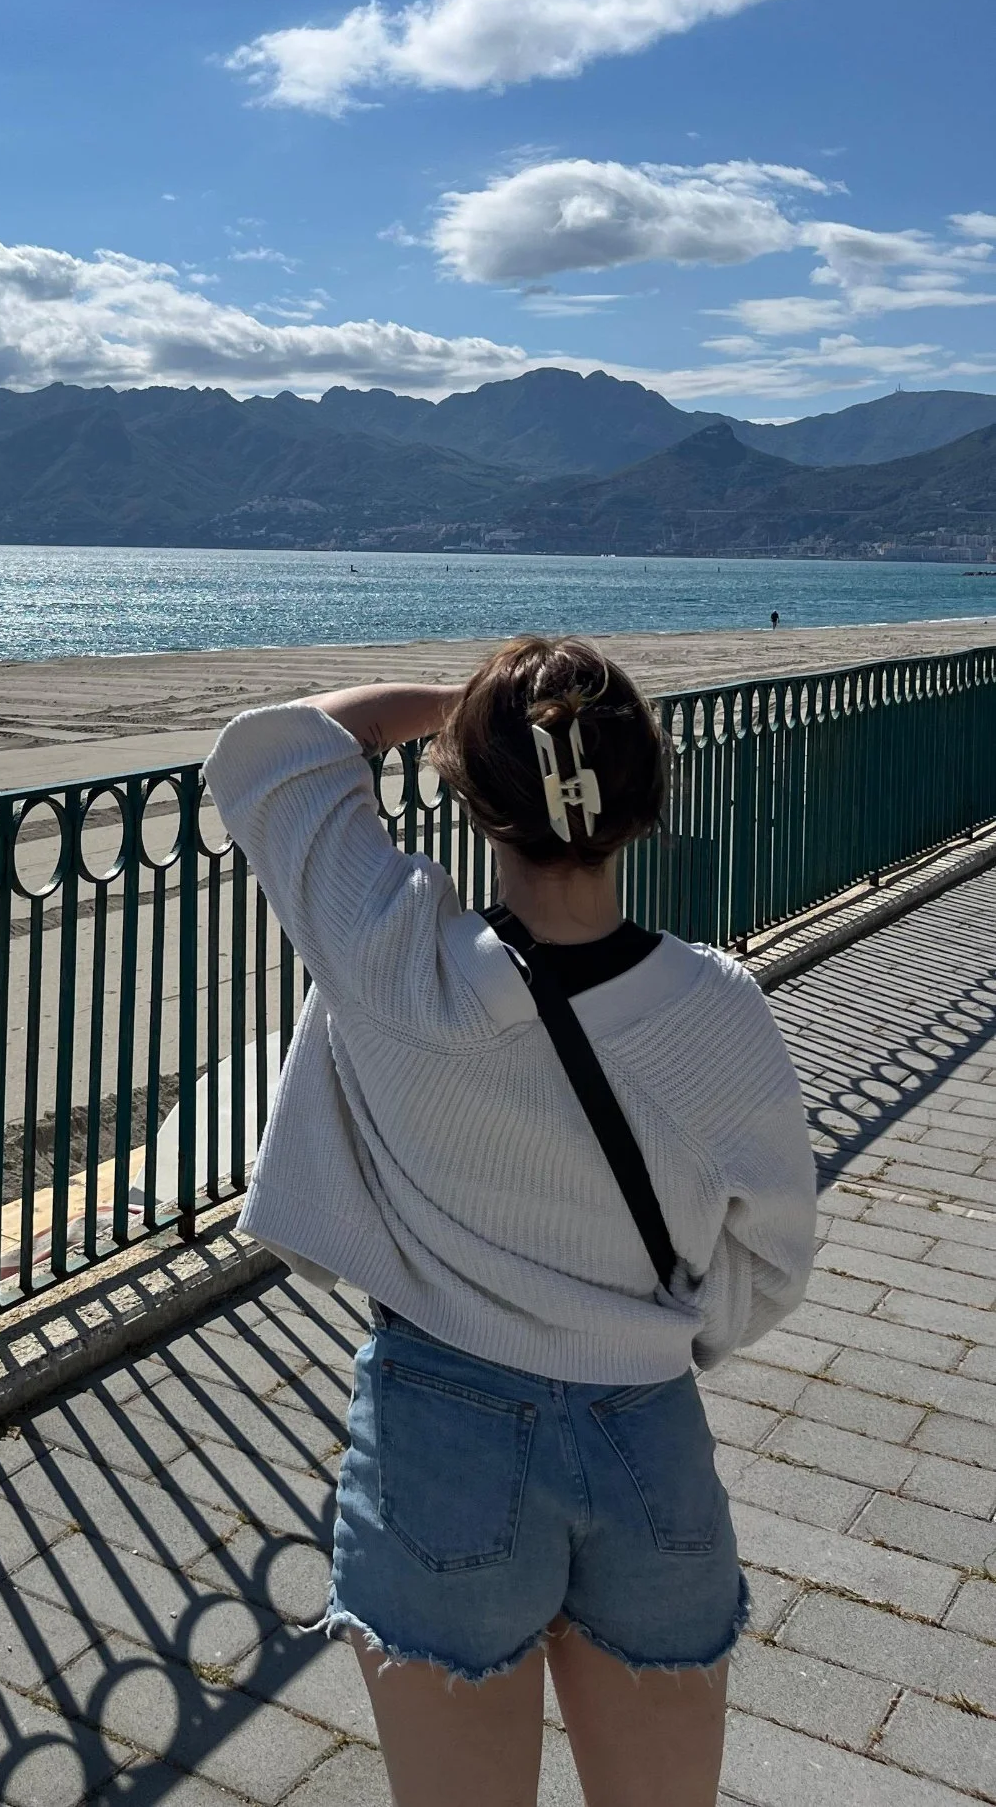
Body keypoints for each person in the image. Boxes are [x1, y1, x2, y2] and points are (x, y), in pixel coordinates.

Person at [204, 637, 815, 1807]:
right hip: (648, 1431)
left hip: (442, 1426)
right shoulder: (719, 1012)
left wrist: (467, 703)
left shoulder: (398, 965)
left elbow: (279, 751)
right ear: (645, 796)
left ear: (474, 790)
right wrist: (650, 1333)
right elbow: (771, 1260)